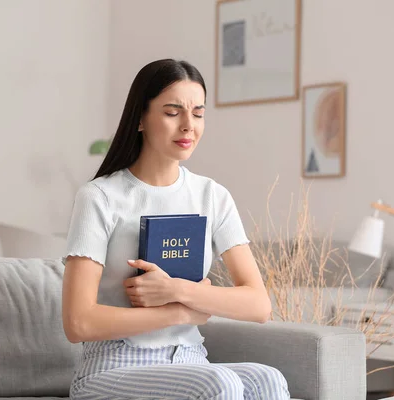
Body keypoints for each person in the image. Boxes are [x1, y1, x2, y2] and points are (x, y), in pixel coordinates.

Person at [62, 59, 290, 400]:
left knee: (267, 379)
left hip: (190, 361)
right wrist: (178, 314)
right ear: (140, 118)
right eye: (173, 112)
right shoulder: (99, 198)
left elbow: (258, 305)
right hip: (112, 368)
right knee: (220, 384)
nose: (188, 126)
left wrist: (177, 290)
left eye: (198, 113)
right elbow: (78, 323)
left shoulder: (212, 196)